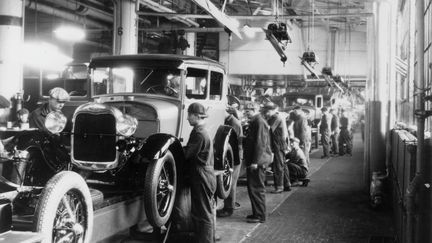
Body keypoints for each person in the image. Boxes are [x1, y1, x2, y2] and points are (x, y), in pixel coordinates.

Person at [184, 102, 216, 243]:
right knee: (202, 211)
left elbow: (187, 154)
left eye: (189, 115)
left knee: (203, 213)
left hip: (201, 175)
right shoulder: (202, 130)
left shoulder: (199, 133)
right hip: (204, 174)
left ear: (197, 116)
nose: (187, 118)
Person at [244, 103, 272, 223]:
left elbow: (260, 144)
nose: (246, 113)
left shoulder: (259, 122)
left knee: (257, 188)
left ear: (255, 110)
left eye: (248, 111)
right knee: (253, 187)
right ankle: (257, 213)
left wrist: (255, 161)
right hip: (256, 160)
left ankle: (260, 216)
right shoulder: (256, 121)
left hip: (258, 162)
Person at [217, 105, 243, 218]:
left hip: (235, 157)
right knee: (230, 182)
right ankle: (229, 205)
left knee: (230, 183)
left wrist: (234, 160)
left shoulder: (234, 123)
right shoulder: (230, 121)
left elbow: (237, 144)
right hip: (231, 156)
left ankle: (229, 208)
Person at [262, 102, 290, 193]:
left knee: (278, 166)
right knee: (283, 165)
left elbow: (268, 128)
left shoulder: (275, 117)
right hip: (281, 143)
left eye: (268, 111)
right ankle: (287, 184)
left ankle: (279, 187)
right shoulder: (279, 116)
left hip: (278, 144)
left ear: (273, 110)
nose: (267, 113)